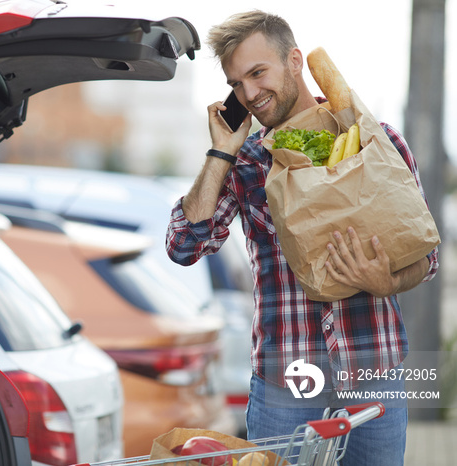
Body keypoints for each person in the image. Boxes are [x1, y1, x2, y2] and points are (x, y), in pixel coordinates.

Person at [165, 10, 439, 466]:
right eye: (236, 84)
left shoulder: (376, 143)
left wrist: (386, 282)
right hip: (285, 387)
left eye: (257, 73)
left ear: (294, 61)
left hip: (374, 376)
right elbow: (184, 246)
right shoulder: (248, 162)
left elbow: (426, 258)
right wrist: (220, 152)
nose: (249, 94)